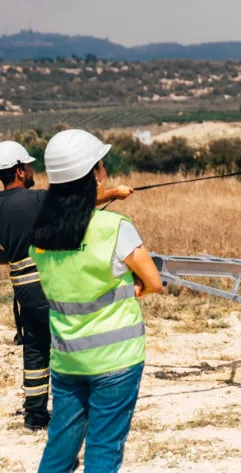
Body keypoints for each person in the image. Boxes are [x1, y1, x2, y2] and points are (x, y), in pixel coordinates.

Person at [28, 129, 162, 473]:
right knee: (103, 450)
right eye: (101, 166)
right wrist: (134, 290)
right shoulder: (115, 227)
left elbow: (71, 216)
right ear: (94, 175)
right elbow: (154, 283)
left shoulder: (41, 236)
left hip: (68, 359)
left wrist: (110, 194)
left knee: (59, 447)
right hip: (117, 359)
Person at [0, 140, 133, 431]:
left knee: (35, 347)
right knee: (72, 342)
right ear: (20, 171)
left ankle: (35, 414)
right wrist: (114, 193)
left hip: (22, 289)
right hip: (49, 283)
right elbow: (74, 203)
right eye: (30, 166)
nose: (33, 169)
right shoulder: (35, 200)